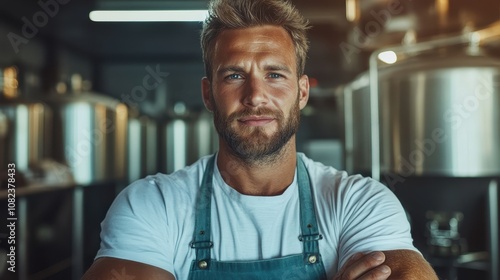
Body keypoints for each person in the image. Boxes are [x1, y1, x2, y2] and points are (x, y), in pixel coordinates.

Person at [82, 0, 438, 279]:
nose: (255, 95)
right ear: (209, 94)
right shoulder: (151, 205)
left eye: (275, 74)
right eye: (235, 75)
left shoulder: (359, 202)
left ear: (301, 93)